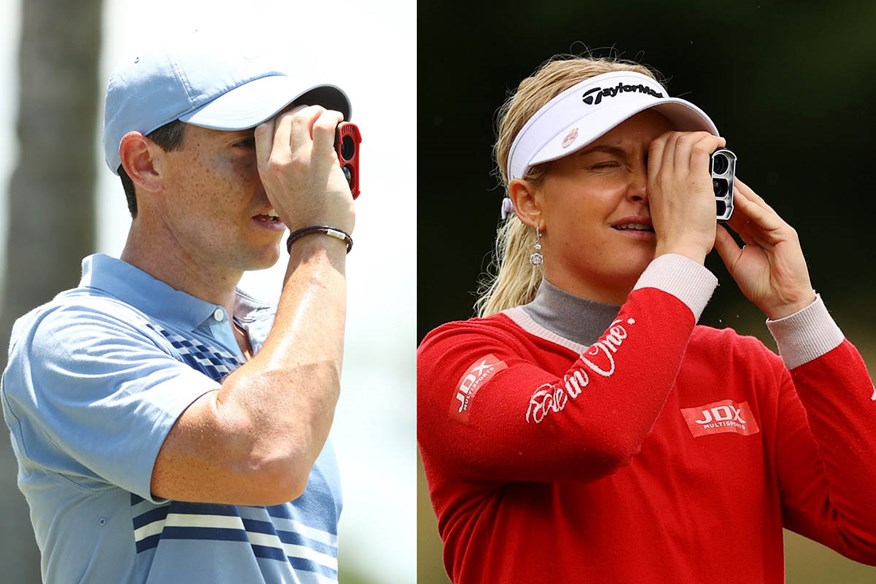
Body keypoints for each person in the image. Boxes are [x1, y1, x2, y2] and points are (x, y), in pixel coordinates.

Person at [417, 55, 876, 583]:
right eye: (606, 164)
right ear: (529, 202)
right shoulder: (458, 358)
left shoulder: (742, 368)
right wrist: (681, 252)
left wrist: (798, 311)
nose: (647, 190)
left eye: (661, 166)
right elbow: (593, 432)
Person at [2, 30, 355, 583]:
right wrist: (319, 235)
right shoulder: (69, 336)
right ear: (144, 162)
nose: (278, 175)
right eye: (248, 145)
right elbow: (266, 453)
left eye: (282, 147)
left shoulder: (279, 343)